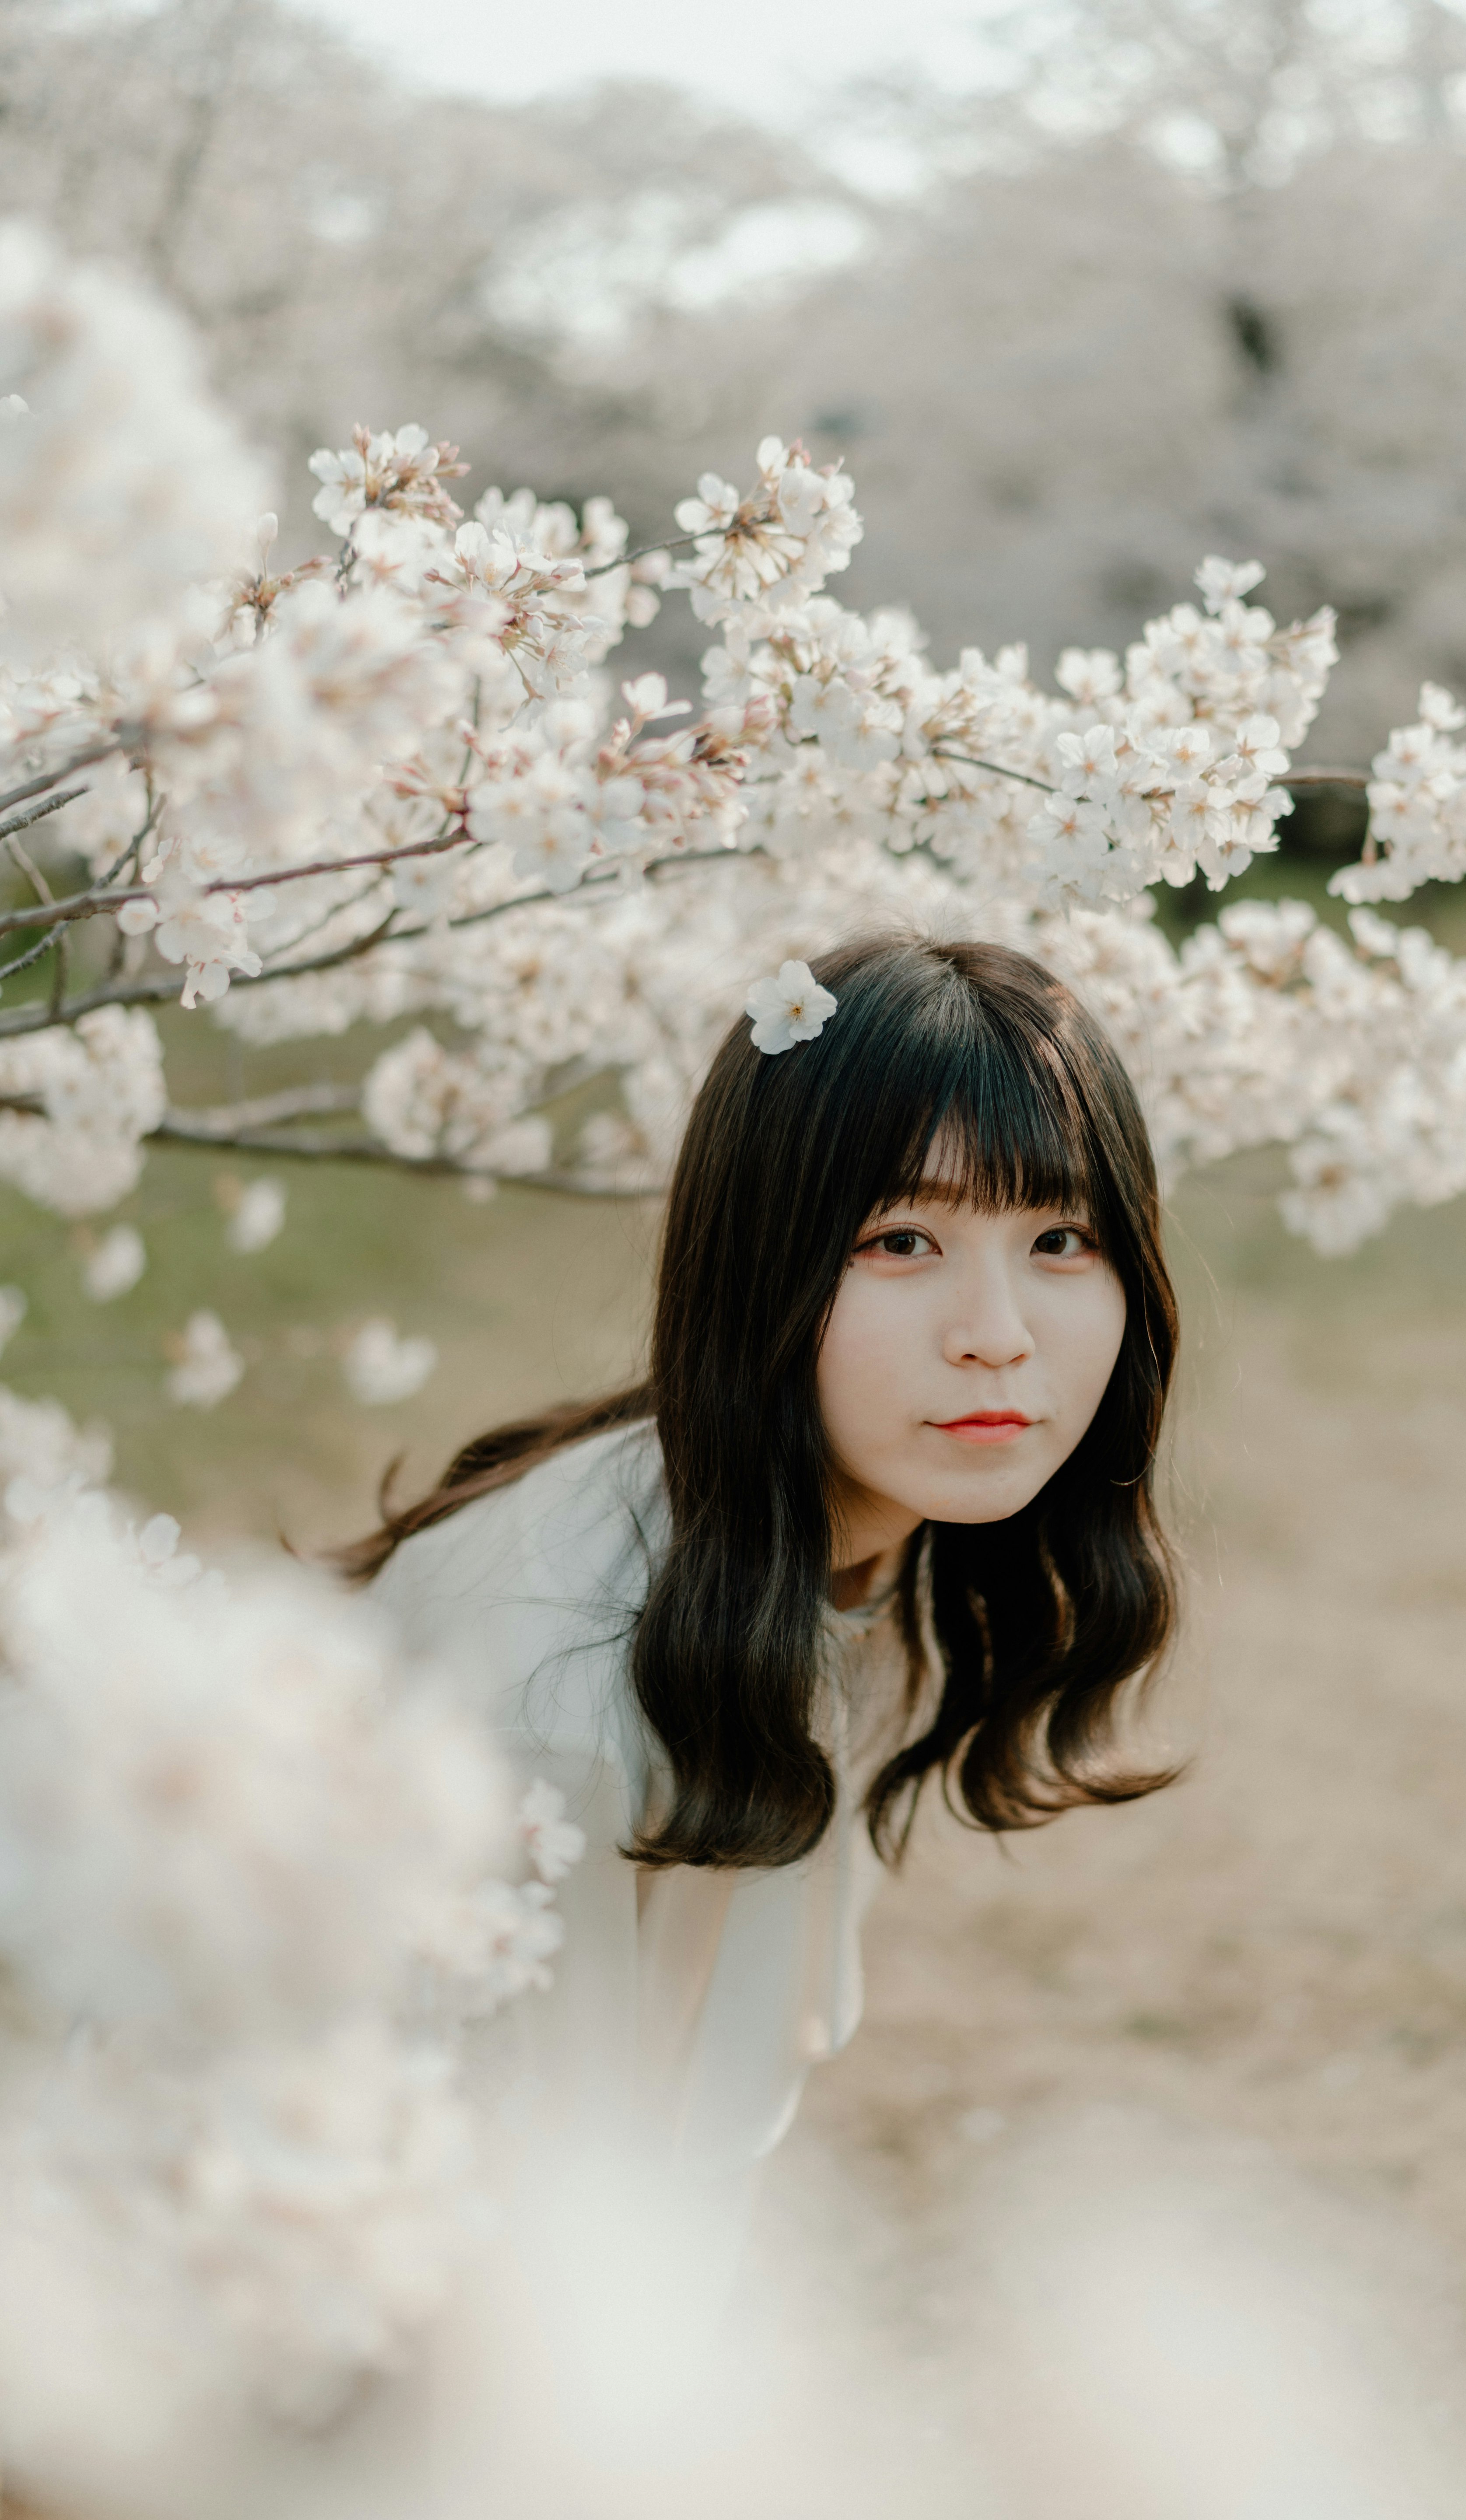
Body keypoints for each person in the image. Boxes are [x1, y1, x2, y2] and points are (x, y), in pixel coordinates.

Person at [344, 932, 1179, 2257]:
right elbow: (499, 2259)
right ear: (761, 1261)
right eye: (904, 1238)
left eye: (1062, 1237)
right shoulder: (556, 1711)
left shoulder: (819, 1534)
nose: (998, 1330)